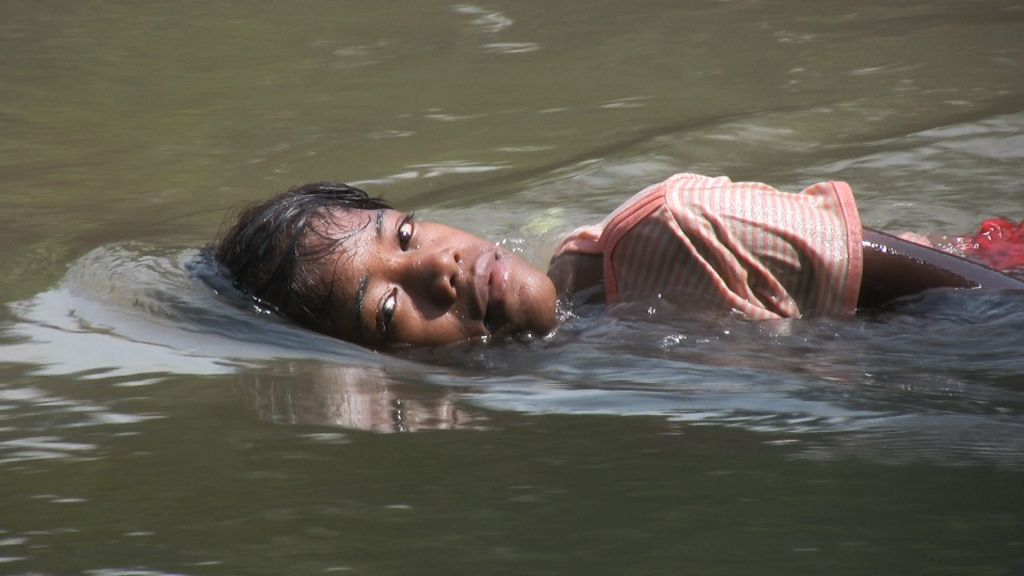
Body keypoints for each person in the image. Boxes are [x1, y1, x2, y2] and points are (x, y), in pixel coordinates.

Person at [214, 174, 1024, 348]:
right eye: (388, 312)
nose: (440, 269)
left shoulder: (678, 231)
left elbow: (986, 294)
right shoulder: (594, 337)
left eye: (403, 234)